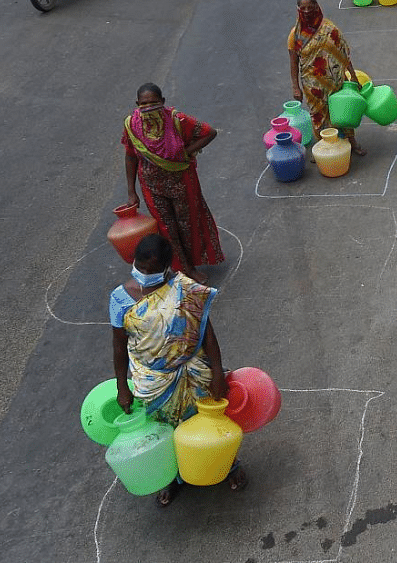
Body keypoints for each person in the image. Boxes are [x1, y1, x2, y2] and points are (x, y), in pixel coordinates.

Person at [110, 234, 246, 506]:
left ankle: (227, 465)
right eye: (140, 266)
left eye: (150, 270)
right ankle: (171, 477)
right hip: (153, 380)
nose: (143, 274)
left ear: (165, 267)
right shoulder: (120, 298)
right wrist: (122, 387)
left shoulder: (185, 288)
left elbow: (206, 331)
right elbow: (118, 346)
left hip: (194, 372)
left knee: (209, 422)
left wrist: (217, 372)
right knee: (163, 430)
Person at [123, 83, 225, 284]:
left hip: (182, 183)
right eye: (144, 104)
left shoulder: (177, 120)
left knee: (187, 226)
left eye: (153, 103)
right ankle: (183, 269)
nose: (149, 107)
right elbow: (130, 157)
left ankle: (192, 265)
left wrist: (185, 153)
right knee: (166, 228)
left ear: (162, 102)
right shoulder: (131, 125)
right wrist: (131, 191)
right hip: (152, 187)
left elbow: (209, 132)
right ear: (137, 104)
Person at [287, 0, 366, 155]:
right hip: (312, 85)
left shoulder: (329, 29)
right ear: (298, 10)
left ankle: (352, 142)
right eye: (303, 8)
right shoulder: (295, 36)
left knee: (343, 110)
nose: (307, 11)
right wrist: (296, 87)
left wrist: (353, 76)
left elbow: (343, 55)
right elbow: (293, 63)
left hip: (336, 81)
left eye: (310, 7)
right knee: (318, 117)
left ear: (317, 6)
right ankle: (325, 149)